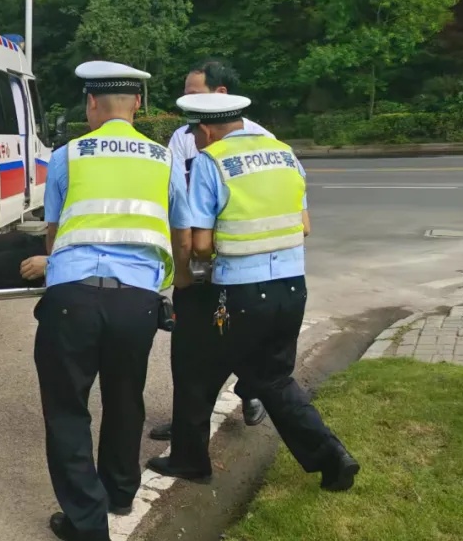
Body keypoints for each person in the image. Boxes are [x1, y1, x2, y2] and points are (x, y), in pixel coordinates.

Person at [146, 92, 360, 493]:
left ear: (206, 129)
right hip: (292, 289)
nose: (196, 142)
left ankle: (190, 461)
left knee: (194, 368)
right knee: (273, 379)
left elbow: (201, 244)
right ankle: (332, 455)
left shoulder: (212, 162)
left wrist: (192, 271)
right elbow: (304, 225)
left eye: (195, 134)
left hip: (239, 294)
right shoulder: (285, 154)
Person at [35, 61, 193, 541]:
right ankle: (120, 493)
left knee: (68, 408)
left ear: (90, 104)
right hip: (137, 302)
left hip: (73, 297)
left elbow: (53, 232)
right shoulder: (163, 157)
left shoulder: (66, 155)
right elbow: (182, 235)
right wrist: (175, 286)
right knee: (125, 398)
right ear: (138, 105)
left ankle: (87, 522)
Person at [150, 59, 269, 440]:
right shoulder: (183, 137)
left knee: (241, 334)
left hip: (240, 261)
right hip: (197, 258)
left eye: (193, 93)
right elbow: (176, 197)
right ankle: (187, 420)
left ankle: (251, 391)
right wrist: (182, 261)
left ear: (221, 94)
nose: (184, 101)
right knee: (189, 345)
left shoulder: (259, 139)